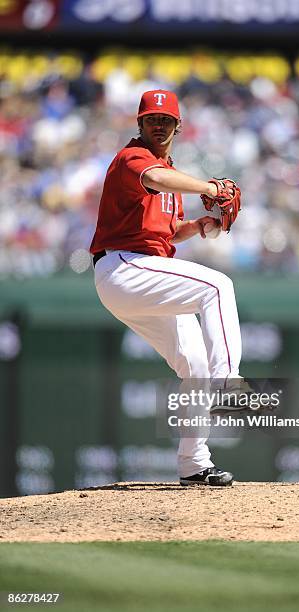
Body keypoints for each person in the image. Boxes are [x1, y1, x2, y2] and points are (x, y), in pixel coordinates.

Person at [90, 90, 246, 486]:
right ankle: (229, 380)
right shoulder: (134, 159)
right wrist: (211, 189)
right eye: (151, 119)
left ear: (178, 125)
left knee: (194, 364)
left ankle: (193, 464)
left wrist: (196, 227)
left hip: (142, 273)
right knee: (217, 286)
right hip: (124, 265)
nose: (158, 125)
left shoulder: (171, 171)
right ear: (139, 125)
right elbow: (154, 179)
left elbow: (168, 231)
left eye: (165, 119)